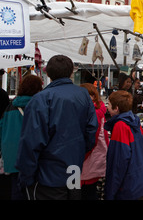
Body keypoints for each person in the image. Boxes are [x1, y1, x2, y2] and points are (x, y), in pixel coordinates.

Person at [16, 55, 98, 200]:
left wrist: (26, 177)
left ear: (47, 73)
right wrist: (77, 152)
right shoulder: (83, 95)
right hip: (73, 170)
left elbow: (30, 142)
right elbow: (91, 131)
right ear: (71, 72)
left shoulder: (41, 99)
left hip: (48, 176)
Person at [104, 90, 143, 200]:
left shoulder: (120, 126)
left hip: (128, 186)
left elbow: (118, 162)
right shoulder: (134, 120)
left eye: (109, 104)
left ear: (116, 108)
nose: (107, 107)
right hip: (139, 181)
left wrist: (110, 192)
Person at [0, 75, 42, 200]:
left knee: (16, 191)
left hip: (12, 157)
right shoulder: (38, 106)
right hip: (32, 157)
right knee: (33, 192)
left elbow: (1, 128)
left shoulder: (10, 107)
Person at [79, 83, 109, 200]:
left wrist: (81, 156)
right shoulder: (96, 109)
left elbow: (92, 138)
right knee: (89, 190)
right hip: (95, 157)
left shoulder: (93, 112)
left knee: (85, 191)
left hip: (90, 159)